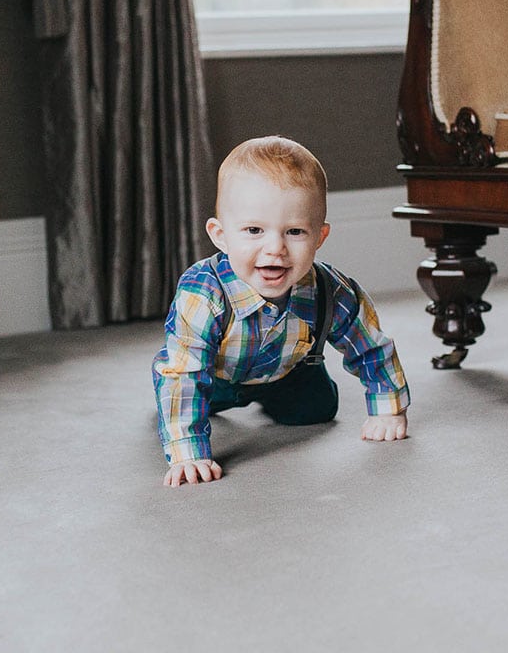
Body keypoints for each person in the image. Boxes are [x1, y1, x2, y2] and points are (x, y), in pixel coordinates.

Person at [153, 136, 410, 487]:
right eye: (254, 230)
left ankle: (277, 394)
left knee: (317, 411)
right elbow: (186, 373)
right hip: (216, 376)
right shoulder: (204, 292)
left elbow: (370, 345)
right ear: (221, 235)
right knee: (187, 398)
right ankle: (200, 410)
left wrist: (389, 408)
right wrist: (188, 451)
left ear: (320, 237)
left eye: (295, 231)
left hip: (287, 371)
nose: (275, 248)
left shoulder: (329, 291)